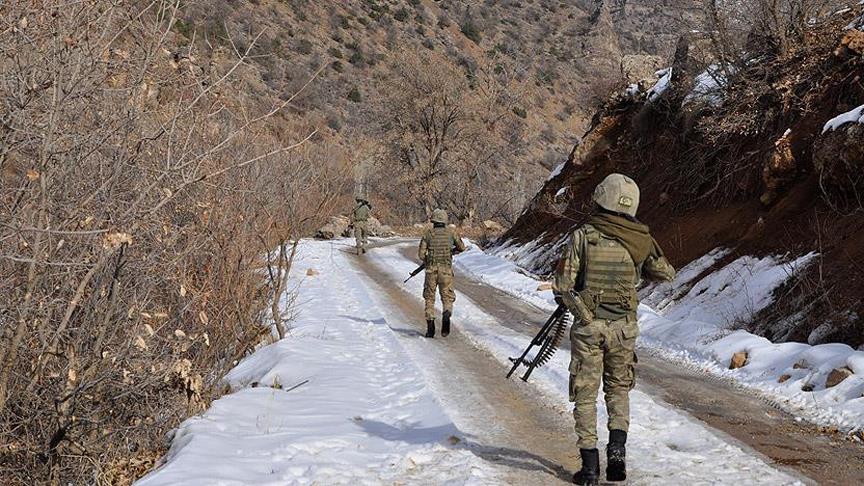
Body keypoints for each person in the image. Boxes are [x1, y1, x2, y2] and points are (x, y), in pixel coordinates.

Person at [552, 174, 675, 485]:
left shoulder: (584, 235)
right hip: (624, 329)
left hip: (590, 330)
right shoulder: (641, 238)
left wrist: (584, 314)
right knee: (618, 390)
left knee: (585, 394)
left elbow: (562, 286)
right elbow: (666, 273)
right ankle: (617, 454)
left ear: (602, 197)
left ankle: (590, 468)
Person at [418, 209, 466, 338]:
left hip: (430, 271)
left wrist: (429, 257)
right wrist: (452, 251)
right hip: (446, 271)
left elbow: (421, 255)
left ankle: (430, 327)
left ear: (433, 220)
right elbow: (462, 247)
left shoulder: (428, 234)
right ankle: (446, 313)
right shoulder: (451, 233)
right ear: (445, 220)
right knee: (447, 297)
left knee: (429, 298)